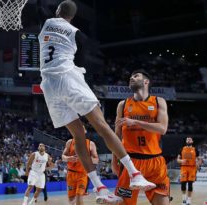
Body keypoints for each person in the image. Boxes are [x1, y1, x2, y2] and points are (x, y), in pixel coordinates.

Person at [37, 0, 155, 203]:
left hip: (47, 84)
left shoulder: (46, 23)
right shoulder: (75, 32)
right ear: (72, 17)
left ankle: (99, 187)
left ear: (57, 11)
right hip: (67, 77)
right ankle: (135, 174)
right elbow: (85, 56)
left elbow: (43, 9)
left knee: (78, 135)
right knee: (101, 126)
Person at [112, 70, 170, 205]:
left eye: (136, 76)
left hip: (155, 162)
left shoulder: (158, 101)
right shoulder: (123, 104)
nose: (131, 77)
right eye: (130, 76)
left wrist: (136, 122)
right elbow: (116, 136)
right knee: (123, 203)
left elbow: (162, 128)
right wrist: (114, 159)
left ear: (146, 81)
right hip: (130, 162)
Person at [62, 129, 99, 205]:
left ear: (85, 132)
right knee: (71, 200)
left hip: (82, 174)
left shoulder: (90, 144)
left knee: (79, 196)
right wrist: (68, 158)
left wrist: (85, 158)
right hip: (71, 174)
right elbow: (63, 157)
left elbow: (96, 160)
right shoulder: (70, 142)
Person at [177, 137, 201, 205]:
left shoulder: (195, 149)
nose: (188, 140)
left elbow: (199, 159)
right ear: (186, 141)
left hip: (192, 168)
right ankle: (184, 199)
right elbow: (178, 159)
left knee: (190, 184)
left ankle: (189, 200)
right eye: (187, 139)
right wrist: (181, 160)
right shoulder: (182, 149)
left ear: (192, 141)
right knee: (183, 184)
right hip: (183, 168)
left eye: (190, 139)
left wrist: (198, 164)